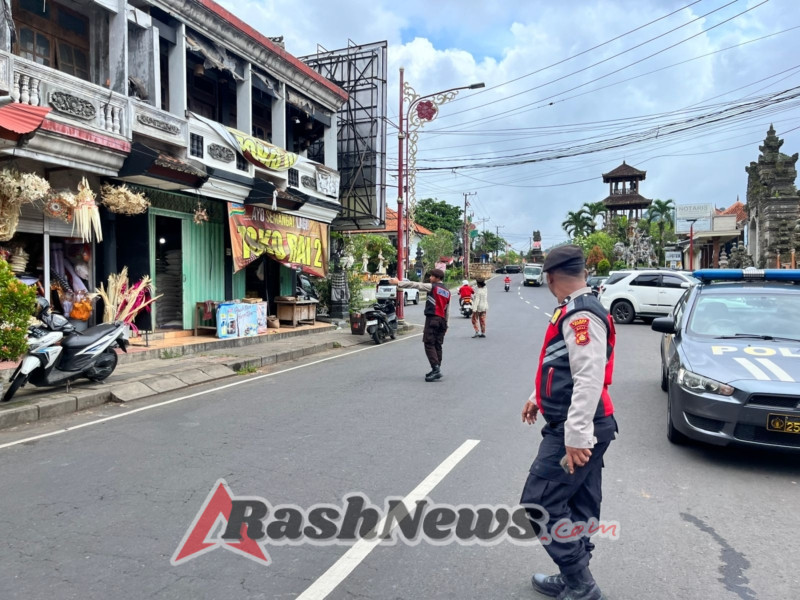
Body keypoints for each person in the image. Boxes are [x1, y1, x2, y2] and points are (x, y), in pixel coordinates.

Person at [519, 245, 618, 600]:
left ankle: (580, 583)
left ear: (550, 277)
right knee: (580, 504)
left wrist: (576, 436)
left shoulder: (580, 315)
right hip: (588, 422)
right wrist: (537, 397)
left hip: (575, 427)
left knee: (539, 503)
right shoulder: (572, 309)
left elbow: (589, 377)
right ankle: (573, 575)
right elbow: (562, 365)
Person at [389, 269, 451, 382]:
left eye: (432, 276)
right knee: (437, 345)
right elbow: (447, 310)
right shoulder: (447, 291)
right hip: (442, 320)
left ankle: (436, 369)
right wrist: (446, 324)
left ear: (437, 278)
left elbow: (416, 285)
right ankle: (436, 368)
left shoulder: (433, 287)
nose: (430, 278)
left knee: (428, 343)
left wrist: (398, 283)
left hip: (433, 319)